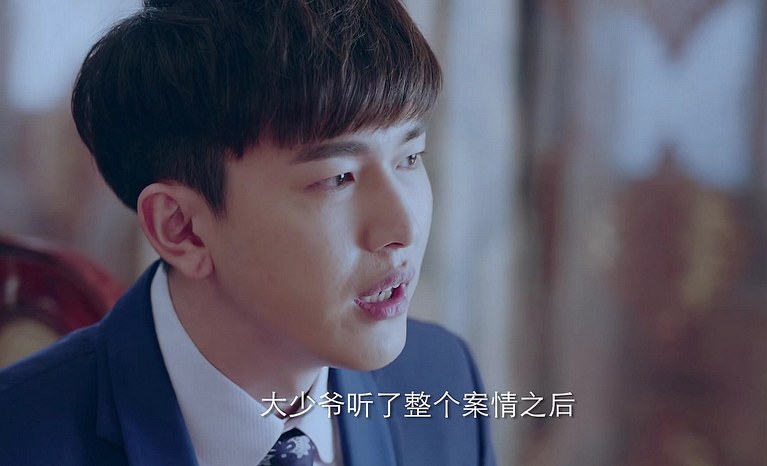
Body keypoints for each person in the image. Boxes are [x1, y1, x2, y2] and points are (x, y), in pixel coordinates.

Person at [0, 1, 496, 465]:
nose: (404, 228)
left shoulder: (441, 380)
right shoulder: (21, 438)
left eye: (410, 157)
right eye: (337, 178)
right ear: (182, 229)